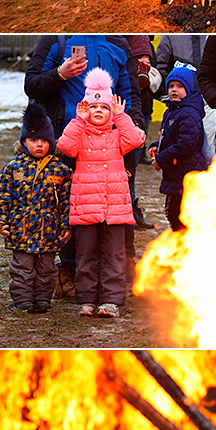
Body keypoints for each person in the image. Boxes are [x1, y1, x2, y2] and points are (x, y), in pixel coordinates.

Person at [57, 67, 144, 315]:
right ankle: (86, 298)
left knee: (114, 256)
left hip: (114, 207)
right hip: (86, 207)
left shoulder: (118, 135)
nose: (98, 111)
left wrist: (121, 116)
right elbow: (64, 146)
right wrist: (78, 120)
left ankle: (111, 300)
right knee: (86, 255)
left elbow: (136, 140)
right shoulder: (80, 133)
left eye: (104, 107)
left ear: (110, 111)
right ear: (86, 109)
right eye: (93, 107)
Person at [0, 101, 72, 312]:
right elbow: (1, 196)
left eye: (43, 141)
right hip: (21, 230)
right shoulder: (13, 167)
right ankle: (24, 300)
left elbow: (67, 201)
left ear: (51, 141)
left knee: (46, 269)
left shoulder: (60, 169)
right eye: (33, 140)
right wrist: (0, 221)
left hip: (49, 231)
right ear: (24, 141)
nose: (38, 145)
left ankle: (43, 300)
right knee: (22, 269)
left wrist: (67, 225)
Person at [149, 62, 209, 231]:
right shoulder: (173, 110)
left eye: (180, 86)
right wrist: (157, 147)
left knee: (179, 215)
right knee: (173, 213)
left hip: (186, 173)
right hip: (175, 173)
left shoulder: (189, 112)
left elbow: (186, 144)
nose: (174, 90)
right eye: (171, 86)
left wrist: (161, 159)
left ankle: (185, 248)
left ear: (188, 89)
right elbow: (170, 137)